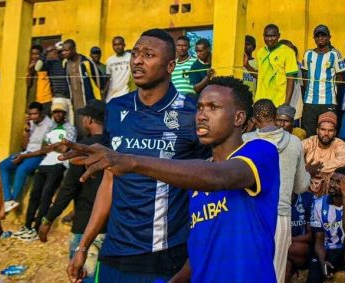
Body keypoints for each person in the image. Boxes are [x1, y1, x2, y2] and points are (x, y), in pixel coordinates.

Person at [61, 76, 280, 283]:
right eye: (200, 107)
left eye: (213, 107)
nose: (202, 115)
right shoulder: (193, 182)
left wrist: (132, 161)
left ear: (239, 118)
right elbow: (200, 246)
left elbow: (217, 177)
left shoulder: (260, 151)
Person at [62, 28, 209, 283]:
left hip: (164, 256)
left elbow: (206, 187)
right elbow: (109, 181)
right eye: (136, 53)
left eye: (149, 55)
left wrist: (193, 260)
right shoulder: (116, 107)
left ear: (170, 66)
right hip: (114, 250)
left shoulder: (190, 114)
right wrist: (83, 246)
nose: (138, 60)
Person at [243, 98, 310, 283]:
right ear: (275, 116)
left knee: (248, 271)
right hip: (281, 216)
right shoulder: (295, 143)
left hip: (250, 215)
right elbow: (301, 186)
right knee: (276, 273)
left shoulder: (245, 141)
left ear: (254, 120)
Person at [38, 100, 106, 282]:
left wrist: (48, 218)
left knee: (82, 276)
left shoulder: (82, 149)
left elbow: (68, 190)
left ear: (89, 120)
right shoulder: (116, 148)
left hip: (84, 227)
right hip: (109, 227)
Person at [12, 102, 76, 241]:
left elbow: (65, 150)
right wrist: (57, 144)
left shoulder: (70, 128)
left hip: (59, 164)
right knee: (35, 195)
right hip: (45, 163)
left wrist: (51, 146)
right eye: (55, 112)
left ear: (65, 114)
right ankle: (27, 226)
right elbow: (43, 148)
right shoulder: (51, 127)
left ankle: (37, 228)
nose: (57, 115)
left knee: (46, 196)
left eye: (60, 112)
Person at [0, 102, 55, 212]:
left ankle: (14, 199)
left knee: (22, 169)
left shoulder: (50, 125)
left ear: (42, 113)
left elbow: (43, 150)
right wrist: (27, 130)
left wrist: (23, 156)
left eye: (35, 114)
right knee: (2, 165)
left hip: (39, 155)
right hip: (26, 153)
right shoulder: (31, 123)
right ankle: (8, 199)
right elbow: (24, 146)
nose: (33, 117)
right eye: (31, 114)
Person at [302, 25, 345, 137]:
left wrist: (335, 96)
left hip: (328, 101)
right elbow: (304, 74)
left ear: (329, 37)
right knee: (309, 133)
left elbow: (340, 78)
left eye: (323, 35)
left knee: (327, 134)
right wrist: (308, 91)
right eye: (317, 35)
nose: (320, 38)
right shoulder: (308, 54)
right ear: (314, 38)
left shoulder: (335, 54)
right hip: (310, 101)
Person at [307, 167, 345, 282]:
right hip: (327, 250)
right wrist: (322, 262)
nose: (332, 184)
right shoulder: (319, 204)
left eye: (338, 182)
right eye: (332, 180)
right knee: (314, 276)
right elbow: (319, 241)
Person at [245, 24, 298, 107]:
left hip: (279, 102)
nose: (269, 39)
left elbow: (290, 79)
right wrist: (246, 65)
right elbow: (260, 76)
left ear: (278, 36)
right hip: (260, 101)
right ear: (263, 36)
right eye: (267, 36)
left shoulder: (288, 52)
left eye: (273, 36)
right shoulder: (260, 52)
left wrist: (286, 103)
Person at [62, 39, 102, 139]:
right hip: (74, 102)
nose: (64, 53)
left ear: (74, 49)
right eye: (63, 50)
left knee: (89, 125)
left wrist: (99, 97)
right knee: (77, 125)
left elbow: (99, 80)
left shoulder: (86, 62)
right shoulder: (65, 63)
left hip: (87, 100)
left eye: (67, 50)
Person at [303, 111, 345, 196]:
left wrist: (314, 170)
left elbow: (342, 160)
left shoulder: (339, 144)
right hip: (306, 184)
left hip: (328, 189)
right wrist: (305, 169)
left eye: (330, 130)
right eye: (323, 130)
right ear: (317, 130)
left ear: (335, 132)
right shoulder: (310, 141)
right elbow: (295, 155)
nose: (326, 134)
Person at [35, 41, 73, 123]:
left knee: (70, 123)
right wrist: (45, 52)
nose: (62, 53)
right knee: (57, 123)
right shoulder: (51, 64)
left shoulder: (70, 63)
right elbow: (37, 68)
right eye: (60, 52)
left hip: (71, 98)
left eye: (64, 51)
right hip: (58, 98)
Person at [285, 191, 314, 283]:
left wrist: (288, 240)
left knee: (293, 248)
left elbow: (310, 236)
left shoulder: (308, 198)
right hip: (283, 247)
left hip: (301, 246)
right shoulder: (274, 196)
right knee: (287, 266)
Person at [27, 45, 53, 115]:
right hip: (34, 100)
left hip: (46, 100)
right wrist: (30, 71)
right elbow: (28, 85)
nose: (35, 56)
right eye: (33, 54)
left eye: (37, 54)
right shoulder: (29, 67)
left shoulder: (45, 65)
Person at [104, 36, 131, 102]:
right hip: (111, 95)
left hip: (126, 93)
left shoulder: (131, 57)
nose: (117, 47)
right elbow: (109, 79)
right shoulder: (109, 60)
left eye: (119, 44)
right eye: (115, 45)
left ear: (124, 45)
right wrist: (104, 93)